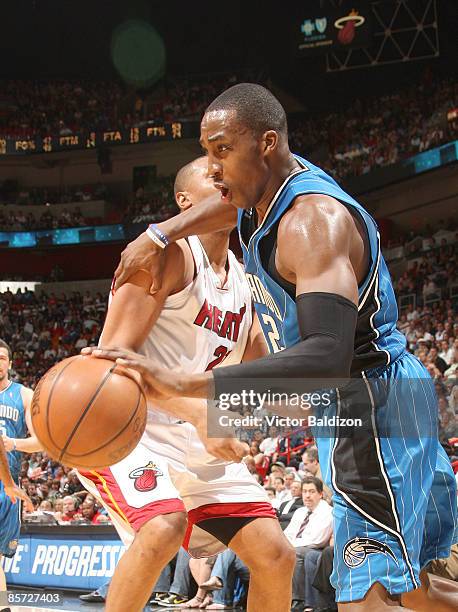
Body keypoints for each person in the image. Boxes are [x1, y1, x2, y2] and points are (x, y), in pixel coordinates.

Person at [97, 83, 457, 611]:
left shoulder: (311, 221)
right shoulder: (263, 192)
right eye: (207, 152)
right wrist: (160, 233)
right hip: (391, 397)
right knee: (428, 588)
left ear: (266, 143)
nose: (213, 166)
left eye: (222, 150)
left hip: (367, 402)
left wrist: (188, 386)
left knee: (366, 594)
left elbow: (326, 358)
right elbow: (221, 210)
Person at [80, 157, 294, 612]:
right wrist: (200, 414)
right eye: (212, 178)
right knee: (162, 527)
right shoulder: (166, 256)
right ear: (184, 201)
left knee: (276, 554)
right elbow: (110, 365)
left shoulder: (246, 280)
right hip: (134, 428)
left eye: (227, 176)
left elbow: (258, 377)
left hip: (197, 438)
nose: (224, 182)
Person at [0, 339, 38, 602]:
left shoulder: (24, 395)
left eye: (2, 357)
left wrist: (12, 443)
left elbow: (41, 441)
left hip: (7, 484)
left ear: (10, 364)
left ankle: (3, 604)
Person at [284, 477, 333, 611]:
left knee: (297, 552)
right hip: (298, 546)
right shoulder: (300, 512)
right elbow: (287, 534)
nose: (307, 495)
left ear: (320, 494)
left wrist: (290, 546)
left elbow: (317, 540)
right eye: (304, 491)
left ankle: (298, 600)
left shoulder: (327, 512)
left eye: (311, 491)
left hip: (318, 550)